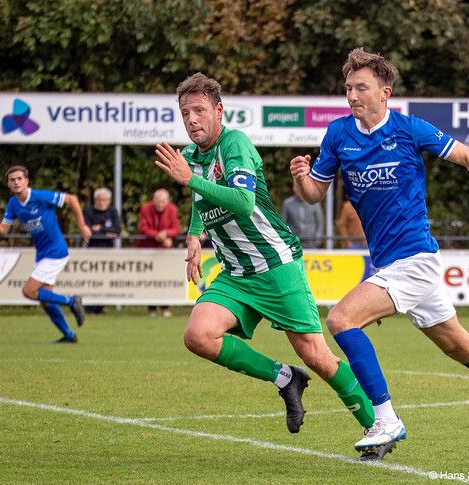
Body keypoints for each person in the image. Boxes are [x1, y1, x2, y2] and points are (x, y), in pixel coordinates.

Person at [290, 47, 469, 458]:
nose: (352, 96)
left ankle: (386, 420)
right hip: (390, 262)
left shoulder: (410, 130)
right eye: (348, 88)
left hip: (415, 258)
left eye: (362, 88)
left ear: (385, 92)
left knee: (340, 318)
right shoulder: (339, 134)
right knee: (459, 345)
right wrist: (302, 179)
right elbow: (313, 195)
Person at [154, 72, 393, 460]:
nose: (192, 119)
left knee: (316, 355)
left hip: (276, 265)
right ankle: (286, 378)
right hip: (236, 273)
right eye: (185, 112)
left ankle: (377, 427)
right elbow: (201, 202)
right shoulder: (192, 157)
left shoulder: (236, 144)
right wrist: (195, 236)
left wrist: (189, 181)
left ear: (218, 111)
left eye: (199, 110)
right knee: (198, 335)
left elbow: (244, 203)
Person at [0, 164, 90, 343]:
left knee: (28, 291)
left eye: (20, 179)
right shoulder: (13, 204)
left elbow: (72, 199)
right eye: (12, 180)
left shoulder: (40, 196)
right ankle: (69, 335)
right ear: (8, 184)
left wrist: (82, 226)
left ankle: (71, 301)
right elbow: (4, 231)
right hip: (42, 254)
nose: (16, 182)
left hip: (56, 252)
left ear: (27, 181)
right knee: (45, 300)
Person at [137, 188, 181, 317]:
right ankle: (151, 308)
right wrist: (158, 236)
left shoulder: (172, 209)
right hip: (148, 249)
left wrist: (166, 235)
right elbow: (144, 228)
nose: (159, 204)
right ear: (153, 200)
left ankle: (165, 307)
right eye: (157, 201)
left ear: (167, 201)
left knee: (165, 278)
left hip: (164, 252)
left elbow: (176, 229)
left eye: (162, 201)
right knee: (150, 279)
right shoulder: (145, 208)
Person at [84, 187, 121, 314]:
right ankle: (89, 307)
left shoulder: (112, 211)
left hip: (108, 250)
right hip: (92, 249)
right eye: (99, 200)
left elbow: (117, 230)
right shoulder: (88, 211)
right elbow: (87, 230)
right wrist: (106, 231)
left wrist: (99, 228)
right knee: (92, 279)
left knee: (105, 278)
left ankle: (100, 307)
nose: (102, 203)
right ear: (95, 200)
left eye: (105, 201)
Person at [280, 181, 324, 248]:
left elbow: (320, 223)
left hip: (311, 243)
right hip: (294, 244)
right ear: (293, 188)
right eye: (296, 186)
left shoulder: (315, 203)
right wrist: (287, 241)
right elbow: (282, 225)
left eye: (300, 186)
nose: (298, 189)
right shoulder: (287, 204)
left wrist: (317, 241)